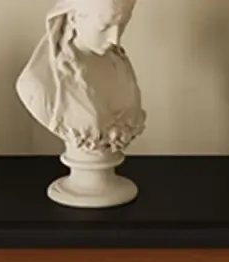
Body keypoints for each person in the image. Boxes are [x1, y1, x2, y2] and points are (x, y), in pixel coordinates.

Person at [17, 0, 146, 155]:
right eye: (104, 26)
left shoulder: (119, 64)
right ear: (73, 18)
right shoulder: (37, 83)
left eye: (123, 25)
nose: (115, 39)